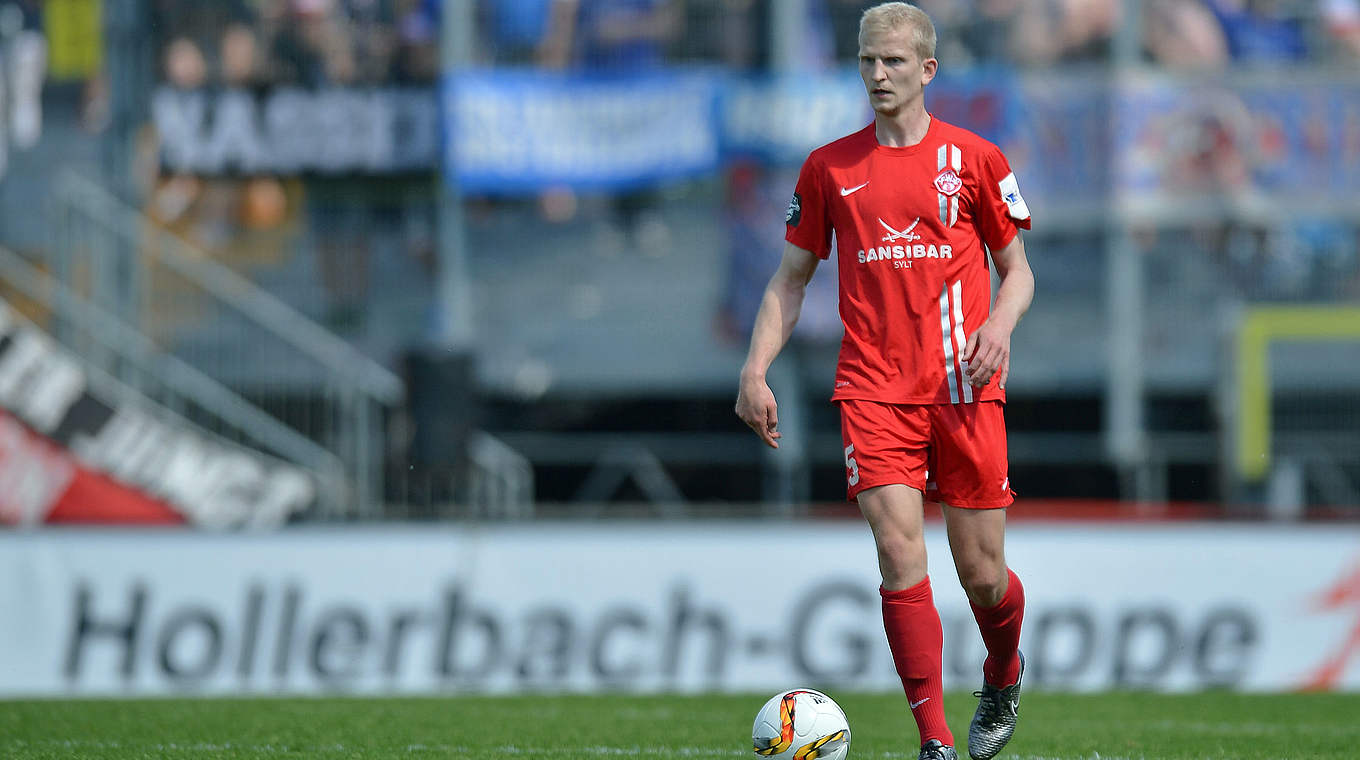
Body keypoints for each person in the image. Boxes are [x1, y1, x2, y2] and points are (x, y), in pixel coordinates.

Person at [734, 4, 1034, 760]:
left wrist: (998, 328)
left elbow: (1017, 273)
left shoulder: (975, 159)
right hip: (871, 390)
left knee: (983, 575)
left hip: (964, 389)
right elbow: (790, 280)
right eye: (868, 60)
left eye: (894, 62)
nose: (877, 74)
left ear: (927, 70)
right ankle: (933, 740)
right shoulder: (829, 166)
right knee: (900, 555)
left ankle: (1003, 670)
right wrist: (755, 368)